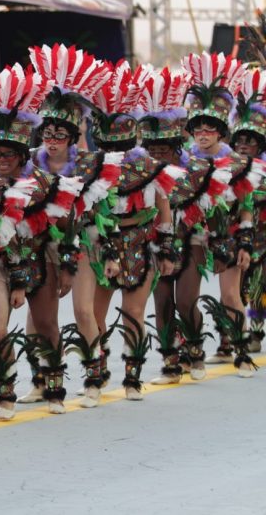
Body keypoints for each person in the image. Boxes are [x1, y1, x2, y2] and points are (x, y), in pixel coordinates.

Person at [18, 44, 113, 412]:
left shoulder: (91, 165)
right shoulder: (28, 164)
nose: (53, 141)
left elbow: (102, 213)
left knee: (83, 312)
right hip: (41, 247)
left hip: (82, 244)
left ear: (74, 137)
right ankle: (41, 378)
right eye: (48, 134)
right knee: (35, 317)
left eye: (61, 135)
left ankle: (93, 378)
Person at [0, 64, 55, 420]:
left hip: (36, 264)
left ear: (22, 156)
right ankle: (1, 391)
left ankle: (50, 380)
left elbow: (61, 227)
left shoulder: (41, 185)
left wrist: (62, 269)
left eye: (8, 155)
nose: (0, 161)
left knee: (45, 324)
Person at [89, 61, 182, 400]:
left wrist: (168, 247)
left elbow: (164, 208)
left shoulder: (151, 168)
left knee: (132, 312)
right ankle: (97, 371)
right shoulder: (93, 167)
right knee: (95, 315)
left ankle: (132, 376)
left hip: (140, 243)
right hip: (103, 244)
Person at [141, 66, 234, 384]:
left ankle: (194, 349)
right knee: (162, 302)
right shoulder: (142, 169)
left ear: (175, 146)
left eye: (162, 150)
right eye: (151, 150)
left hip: (191, 241)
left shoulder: (196, 169)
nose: (156, 155)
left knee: (184, 301)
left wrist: (222, 250)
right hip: (155, 244)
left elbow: (217, 212)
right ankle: (171, 361)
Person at [182, 52, 264, 377]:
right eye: (197, 130)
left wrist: (244, 243)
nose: (202, 135)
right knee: (186, 297)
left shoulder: (237, 164)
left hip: (227, 236)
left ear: (219, 133)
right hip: (192, 237)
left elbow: (245, 206)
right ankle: (193, 353)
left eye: (208, 130)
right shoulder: (183, 161)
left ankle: (241, 352)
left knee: (230, 294)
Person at [229, 68, 266, 355]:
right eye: (239, 140)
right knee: (237, 285)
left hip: (262, 234)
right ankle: (232, 334)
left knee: (259, 282)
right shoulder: (227, 167)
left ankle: (255, 331)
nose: (243, 145)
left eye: (249, 141)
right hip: (236, 234)